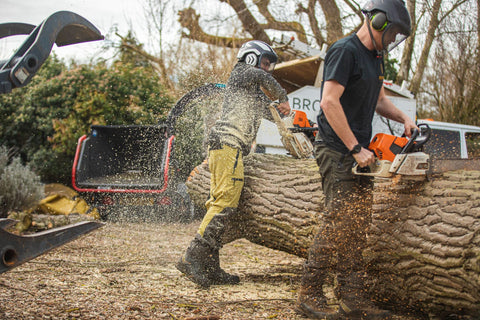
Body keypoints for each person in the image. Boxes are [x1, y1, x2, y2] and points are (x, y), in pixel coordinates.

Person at [296, 0, 417, 319]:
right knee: (338, 220)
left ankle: (352, 297)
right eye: (392, 33)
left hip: (359, 154)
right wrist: (355, 147)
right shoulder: (344, 50)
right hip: (337, 149)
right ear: (377, 21)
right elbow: (329, 101)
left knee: (357, 224)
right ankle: (309, 292)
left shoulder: (375, 59)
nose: (392, 41)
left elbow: (378, 100)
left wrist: (403, 116)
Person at [176, 40, 291, 288]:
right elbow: (261, 76)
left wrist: (285, 115)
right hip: (228, 145)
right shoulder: (241, 73)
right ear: (251, 58)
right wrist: (282, 96)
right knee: (226, 202)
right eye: (265, 62)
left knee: (219, 202)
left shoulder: (250, 92)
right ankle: (191, 257)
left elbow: (268, 111)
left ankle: (209, 265)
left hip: (226, 147)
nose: (268, 69)